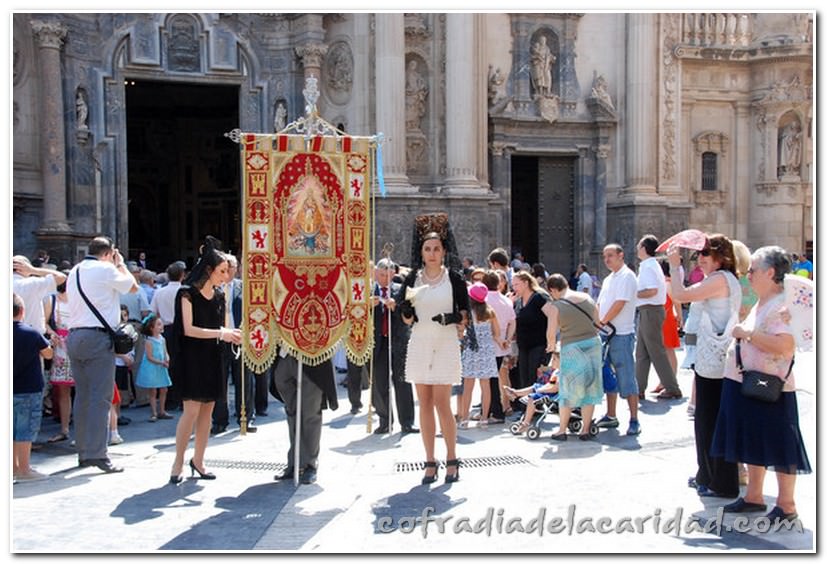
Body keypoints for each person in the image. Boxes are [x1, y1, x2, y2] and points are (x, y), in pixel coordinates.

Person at [710, 246, 811, 525]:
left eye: (753, 270)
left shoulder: (782, 306)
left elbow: (785, 346)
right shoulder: (764, 301)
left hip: (770, 388)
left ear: (770, 272)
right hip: (750, 384)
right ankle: (754, 496)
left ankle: (786, 505)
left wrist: (748, 334)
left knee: (779, 444)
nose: (748, 274)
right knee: (753, 440)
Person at [667, 233, 741, 499]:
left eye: (705, 253)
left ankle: (720, 481)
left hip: (715, 361)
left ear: (721, 257)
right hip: (713, 360)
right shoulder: (720, 279)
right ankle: (708, 475)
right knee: (707, 419)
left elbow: (680, 295)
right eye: (699, 253)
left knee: (710, 420)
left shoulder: (720, 279)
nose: (700, 258)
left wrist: (674, 266)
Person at [400, 214, 470, 485]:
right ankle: (430, 460)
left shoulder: (454, 279)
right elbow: (407, 318)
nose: (432, 253)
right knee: (425, 403)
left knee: (442, 403)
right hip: (420, 342)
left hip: (444, 343)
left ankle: (452, 457)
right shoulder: (412, 279)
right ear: (421, 252)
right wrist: (406, 311)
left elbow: (464, 315)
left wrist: (453, 318)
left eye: (436, 249)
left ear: (444, 251)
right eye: (427, 249)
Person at [169, 237, 241, 484]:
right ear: (209, 270)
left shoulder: (219, 296)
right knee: (190, 411)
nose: (225, 276)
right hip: (192, 357)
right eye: (222, 271)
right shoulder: (187, 293)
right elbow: (188, 329)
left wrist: (233, 335)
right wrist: (222, 333)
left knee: (207, 412)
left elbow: (222, 327)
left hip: (213, 356)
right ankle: (178, 461)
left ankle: (199, 460)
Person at [66, 236, 138, 474]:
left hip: (75, 336)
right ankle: (97, 454)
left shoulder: (75, 270)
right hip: (97, 338)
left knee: (83, 396)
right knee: (101, 398)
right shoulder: (106, 269)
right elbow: (133, 287)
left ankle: (83, 451)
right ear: (108, 253)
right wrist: (121, 264)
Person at [545, 274, 604, 440]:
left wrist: (551, 346)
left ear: (553, 290)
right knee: (589, 387)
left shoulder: (556, 306)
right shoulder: (587, 298)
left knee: (568, 389)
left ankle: (562, 430)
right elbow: (598, 323)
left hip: (571, 347)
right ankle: (585, 430)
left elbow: (551, 333)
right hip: (592, 344)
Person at [594, 244, 641, 435]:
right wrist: (597, 323)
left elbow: (620, 303)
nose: (607, 259)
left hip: (621, 334)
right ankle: (611, 415)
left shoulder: (627, 276)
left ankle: (634, 419)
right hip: (605, 334)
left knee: (626, 376)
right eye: (605, 256)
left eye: (610, 255)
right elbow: (600, 303)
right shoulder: (609, 279)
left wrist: (603, 321)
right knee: (608, 376)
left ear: (621, 255)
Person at [272, 352, 338, 485]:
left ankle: (309, 464)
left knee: (310, 414)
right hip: (284, 356)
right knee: (292, 413)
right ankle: (294, 462)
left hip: (311, 358)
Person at [370, 258, 417, 435]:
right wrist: (368, 306)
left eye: (388, 275)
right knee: (380, 383)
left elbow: (410, 315)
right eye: (381, 275)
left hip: (398, 341)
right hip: (377, 343)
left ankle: (407, 422)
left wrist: (396, 307)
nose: (384, 279)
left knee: (402, 381)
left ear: (393, 274)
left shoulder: (402, 290)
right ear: (376, 273)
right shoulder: (368, 291)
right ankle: (384, 421)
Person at [635, 234, 682, 400]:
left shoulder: (648, 266)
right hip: (647, 310)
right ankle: (638, 388)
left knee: (656, 352)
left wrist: (633, 293)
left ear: (644, 248)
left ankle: (672, 387)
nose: (637, 248)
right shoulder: (649, 265)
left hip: (651, 310)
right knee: (641, 352)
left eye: (639, 245)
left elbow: (652, 291)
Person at [13, 293, 53, 482]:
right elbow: (48, 354)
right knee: (25, 430)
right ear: (22, 311)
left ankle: (13, 467)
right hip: (28, 387)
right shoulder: (31, 333)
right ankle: (24, 469)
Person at [458, 282, 505, 429]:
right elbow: (497, 333)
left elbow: (460, 332)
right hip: (487, 351)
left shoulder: (467, 313)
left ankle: (464, 419)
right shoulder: (490, 312)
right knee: (486, 386)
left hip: (471, 349)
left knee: (468, 387)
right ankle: (484, 419)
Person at [510, 271, 555, 413]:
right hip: (523, 345)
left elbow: (553, 314)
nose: (514, 288)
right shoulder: (518, 301)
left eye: (516, 284)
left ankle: (535, 408)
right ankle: (527, 410)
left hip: (539, 344)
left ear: (526, 283)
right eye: (513, 285)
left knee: (534, 377)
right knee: (524, 377)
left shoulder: (538, 297)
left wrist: (551, 339)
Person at [43, 274, 75, 443]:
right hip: (61, 346)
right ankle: (64, 428)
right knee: (63, 389)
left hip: (76, 343)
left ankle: (79, 428)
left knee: (81, 388)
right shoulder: (51, 299)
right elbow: (44, 322)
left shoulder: (77, 298)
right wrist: (52, 334)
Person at [151, 261, 185, 411]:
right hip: (183, 330)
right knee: (184, 363)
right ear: (182, 275)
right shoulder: (185, 291)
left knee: (168, 363)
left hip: (166, 330)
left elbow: (153, 312)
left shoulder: (159, 292)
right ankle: (183, 398)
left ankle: (170, 399)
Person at [482, 270, 515, 424]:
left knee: (489, 381)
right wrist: (507, 338)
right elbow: (513, 321)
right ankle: (490, 411)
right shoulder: (506, 300)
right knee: (493, 379)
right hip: (501, 345)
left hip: (487, 342)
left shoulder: (484, 299)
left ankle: (495, 412)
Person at [504, 352, 560, 434]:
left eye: (554, 359)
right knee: (536, 386)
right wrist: (542, 388)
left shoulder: (560, 374)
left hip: (553, 394)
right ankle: (515, 393)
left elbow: (555, 388)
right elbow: (550, 384)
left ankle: (526, 423)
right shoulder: (556, 372)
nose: (552, 362)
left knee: (532, 398)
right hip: (549, 391)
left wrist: (541, 390)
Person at [13, 255, 67, 334]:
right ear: (24, 268)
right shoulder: (32, 283)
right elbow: (61, 277)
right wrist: (33, 270)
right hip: (32, 335)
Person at [134, 313, 173, 422]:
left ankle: (162, 410)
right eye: (158, 324)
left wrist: (167, 358)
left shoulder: (162, 339)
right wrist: (161, 362)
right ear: (152, 328)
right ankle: (154, 412)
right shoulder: (149, 341)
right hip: (152, 367)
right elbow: (150, 357)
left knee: (164, 389)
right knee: (153, 391)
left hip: (161, 367)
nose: (161, 326)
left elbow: (165, 351)